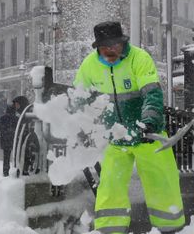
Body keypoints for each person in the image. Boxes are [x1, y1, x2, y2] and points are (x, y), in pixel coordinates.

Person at [73, 21, 185, 233]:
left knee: (161, 182)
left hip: (148, 135)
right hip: (115, 137)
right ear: (97, 47)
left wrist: (149, 121)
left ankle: (171, 227)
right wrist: (79, 124)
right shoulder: (89, 66)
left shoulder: (139, 58)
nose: (110, 50)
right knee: (109, 186)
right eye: (105, 46)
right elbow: (79, 98)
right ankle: (110, 229)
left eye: (114, 44)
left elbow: (151, 93)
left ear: (122, 42)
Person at [0, 103, 19, 177]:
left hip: (5, 140)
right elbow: (20, 129)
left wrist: (2, 132)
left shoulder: (3, 118)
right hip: (14, 140)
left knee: (6, 157)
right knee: (16, 156)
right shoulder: (16, 119)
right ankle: (16, 170)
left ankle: (6, 171)